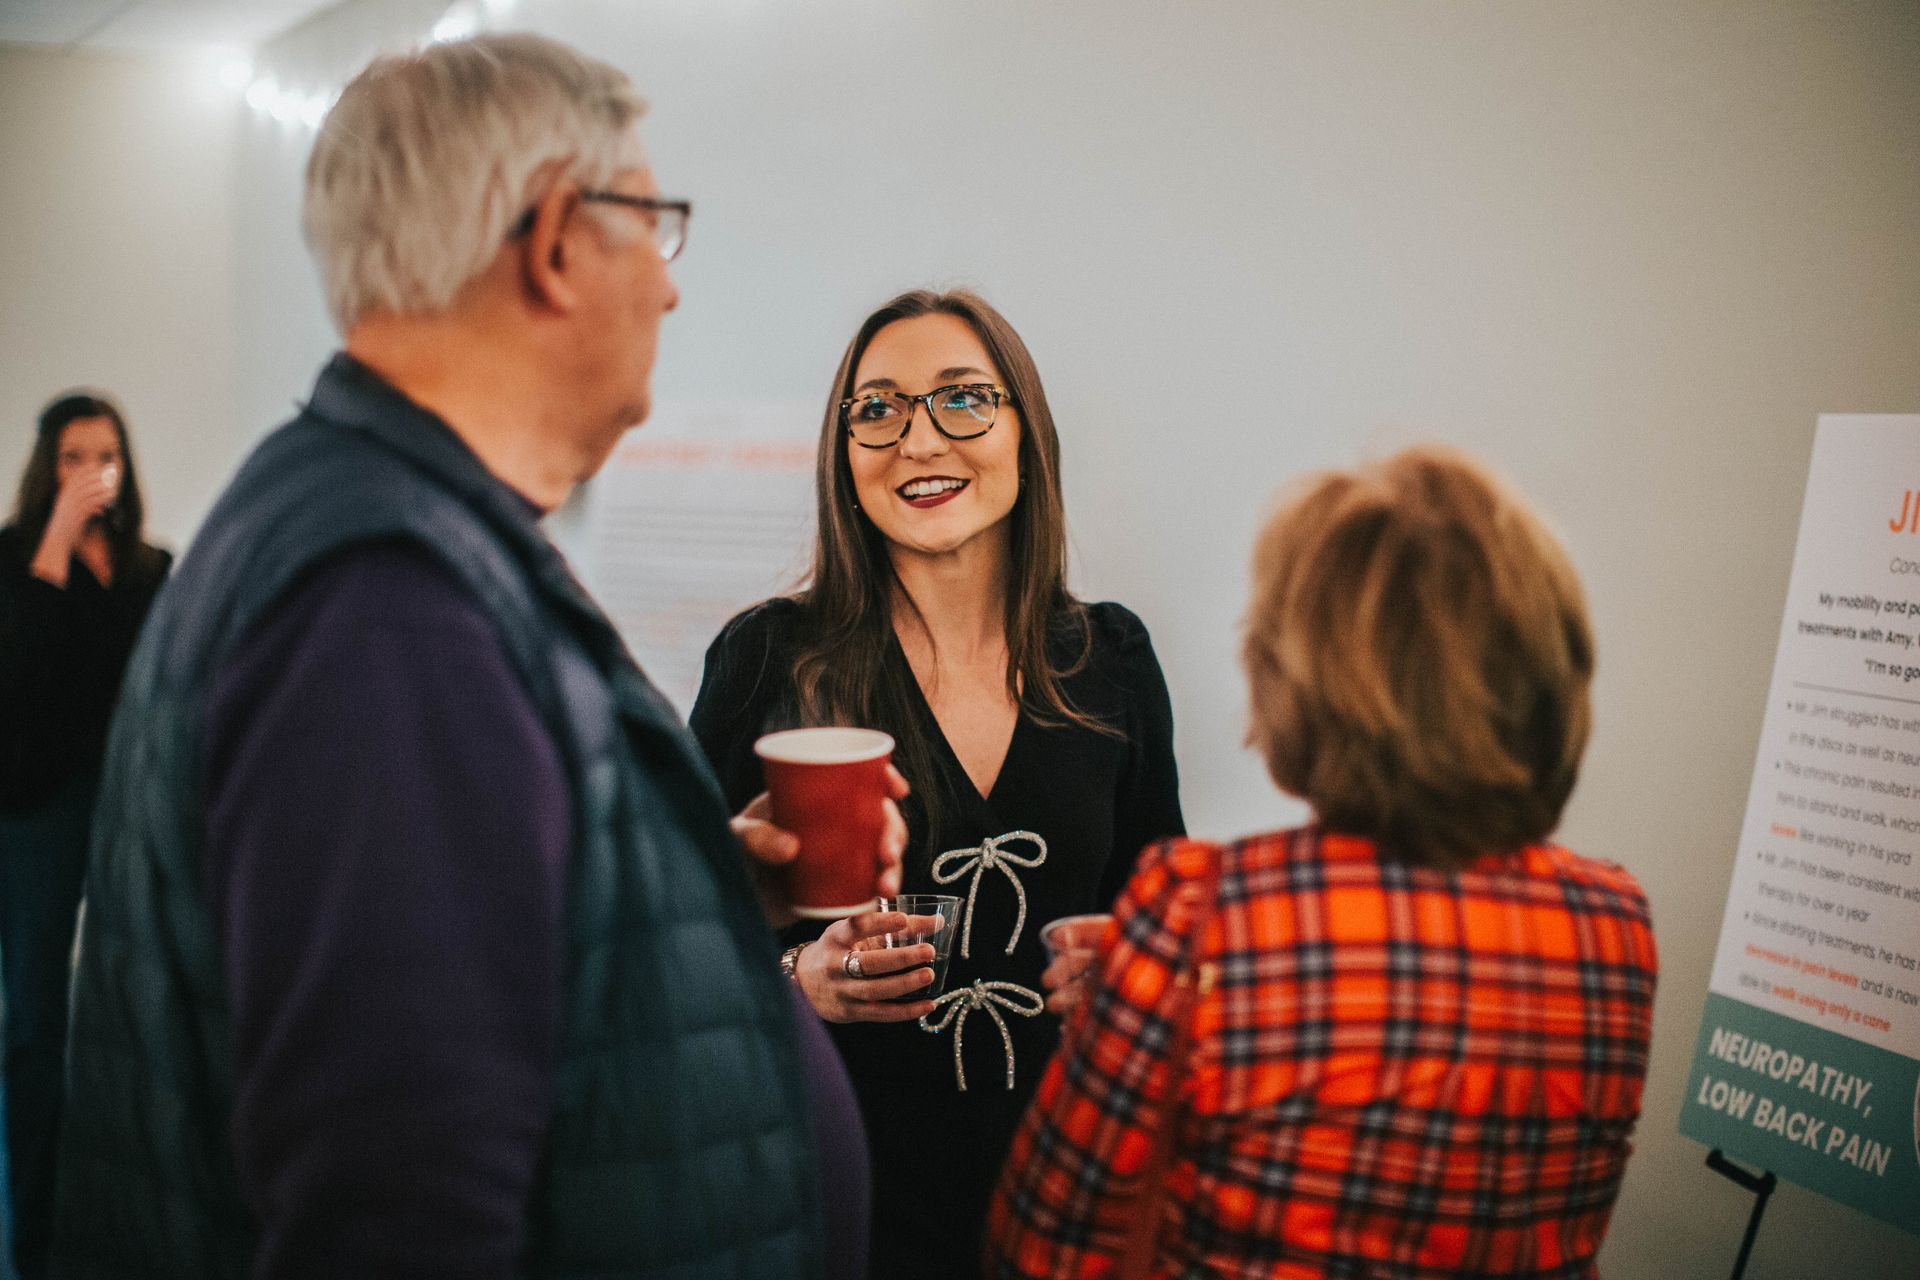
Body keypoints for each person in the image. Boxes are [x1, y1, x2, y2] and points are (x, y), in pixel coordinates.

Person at [51, 34, 899, 1280]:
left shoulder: (384, 529)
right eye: (652, 225)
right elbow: (398, 1211)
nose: (668, 289)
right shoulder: (387, 612)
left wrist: (702, 896)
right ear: (556, 241)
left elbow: (462, 932)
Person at [988, 446, 1659, 1278]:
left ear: (1296, 680)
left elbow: (1045, 1247)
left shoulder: (1200, 911)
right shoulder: (1616, 924)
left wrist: (1132, 1015)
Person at [691, 289, 1185, 1279]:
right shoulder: (766, 659)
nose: (917, 440)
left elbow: (1162, 924)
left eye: (962, 400)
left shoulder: (1112, 658)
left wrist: (1133, 973)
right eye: (876, 409)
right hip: (840, 1200)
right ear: (844, 451)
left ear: (1023, 431)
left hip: (1070, 1203)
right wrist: (801, 981)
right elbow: (673, 950)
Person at [0, 392, 169, 1280]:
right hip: (33, 808)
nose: (91, 473)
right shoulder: (13, 561)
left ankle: (116, 1220)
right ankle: (29, 1236)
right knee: (34, 1021)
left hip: (124, 803)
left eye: (105, 456)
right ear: (46, 467)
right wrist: (55, 543)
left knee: (132, 1006)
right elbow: (17, 680)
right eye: (72, 456)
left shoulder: (149, 568)